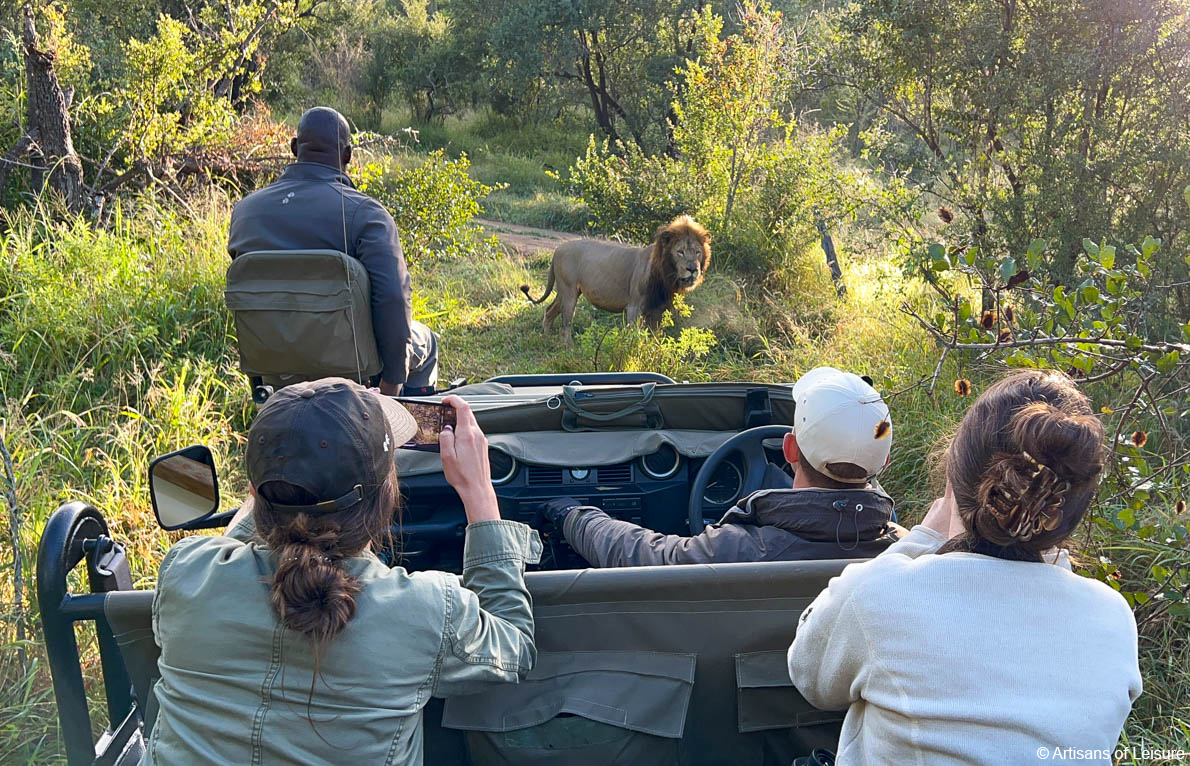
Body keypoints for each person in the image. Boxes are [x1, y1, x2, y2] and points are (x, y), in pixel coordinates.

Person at [144, 379, 540, 765]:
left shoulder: (186, 570)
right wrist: (479, 493)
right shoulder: (427, 611)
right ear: (388, 492)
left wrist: (299, 454)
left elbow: (240, 542)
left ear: (252, 489)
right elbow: (514, 645)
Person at [787, 370, 1142, 764]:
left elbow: (810, 679)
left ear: (954, 479)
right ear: (1068, 512)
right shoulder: (1114, 619)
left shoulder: (878, 596)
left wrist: (921, 537)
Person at [543, 367, 900, 566]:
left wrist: (575, 517)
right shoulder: (907, 552)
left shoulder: (737, 550)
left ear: (789, 448)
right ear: (883, 462)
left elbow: (642, 556)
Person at [227, 107, 438, 395]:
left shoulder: (245, 212)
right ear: (348, 155)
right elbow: (392, 298)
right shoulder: (367, 214)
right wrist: (391, 382)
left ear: (294, 148)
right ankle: (407, 431)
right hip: (357, 370)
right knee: (427, 340)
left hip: (276, 371)